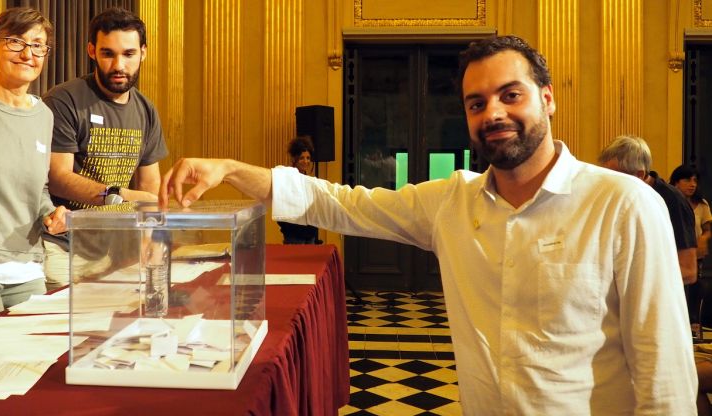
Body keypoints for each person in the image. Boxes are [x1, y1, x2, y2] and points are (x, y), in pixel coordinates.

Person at [159, 35, 697, 414]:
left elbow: (665, 372)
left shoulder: (624, 205)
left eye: (511, 95)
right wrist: (230, 169)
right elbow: (340, 203)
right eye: (476, 102)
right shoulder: (453, 202)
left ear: (548, 99)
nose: (493, 113)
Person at [42, 7, 168, 289]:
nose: (119, 65)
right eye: (108, 53)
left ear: (143, 52)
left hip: (118, 250)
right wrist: (118, 196)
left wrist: (152, 241)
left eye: (129, 54)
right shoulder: (64, 100)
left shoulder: (146, 110)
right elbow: (58, 178)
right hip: (63, 247)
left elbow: (150, 187)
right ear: (91, 51)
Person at [0, 7, 67, 325]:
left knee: (33, 353)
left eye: (37, 45)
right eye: (15, 41)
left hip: (26, 266)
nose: (27, 53)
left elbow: (39, 190)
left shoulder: (43, 116)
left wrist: (52, 213)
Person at [598, 136, 698, 284]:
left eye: (614, 176)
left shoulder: (672, 201)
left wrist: (632, 283)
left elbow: (688, 271)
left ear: (639, 175)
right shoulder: (621, 198)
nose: (606, 182)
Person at [277, 136, 321, 244]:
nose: (306, 161)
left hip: (309, 234)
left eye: (308, 158)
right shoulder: (286, 179)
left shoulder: (309, 181)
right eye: (302, 158)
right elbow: (281, 207)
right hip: (294, 235)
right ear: (294, 159)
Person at [671, 165, 712, 266]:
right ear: (676, 182)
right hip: (673, 255)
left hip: (695, 257)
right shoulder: (668, 202)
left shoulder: (702, 204)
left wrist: (703, 239)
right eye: (687, 180)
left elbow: (707, 230)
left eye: (695, 181)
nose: (693, 184)